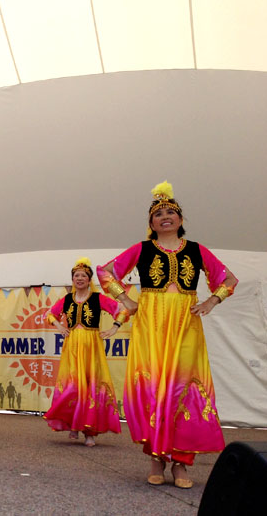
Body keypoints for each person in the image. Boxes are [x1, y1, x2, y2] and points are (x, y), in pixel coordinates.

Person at [97, 181, 238, 488]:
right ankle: (156, 458)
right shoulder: (142, 249)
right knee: (154, 388)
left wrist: (212, 301)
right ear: (151, 223)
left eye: (170, 212)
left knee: (185, 387)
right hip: (151, 323)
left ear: (180, 219)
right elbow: (106, 272)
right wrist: (126, 301)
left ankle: (181, 463)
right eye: (158, 214)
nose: (165, 217)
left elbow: (228, 279)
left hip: (186, 324)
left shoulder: (197, 250)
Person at [44, 257, 127, 447]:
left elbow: (122, 310)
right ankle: (73, 424)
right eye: (76, 276)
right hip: (72, 345)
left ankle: (90, 432)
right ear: (72, 279)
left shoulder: (97, 298)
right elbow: (49, 314)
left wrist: (114, 328)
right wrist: (59, 326)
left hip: (91, 346)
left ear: (89, 280)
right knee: (73, 386)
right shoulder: (67, 300)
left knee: (90, 385)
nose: (79, 278)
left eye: (83, 276)